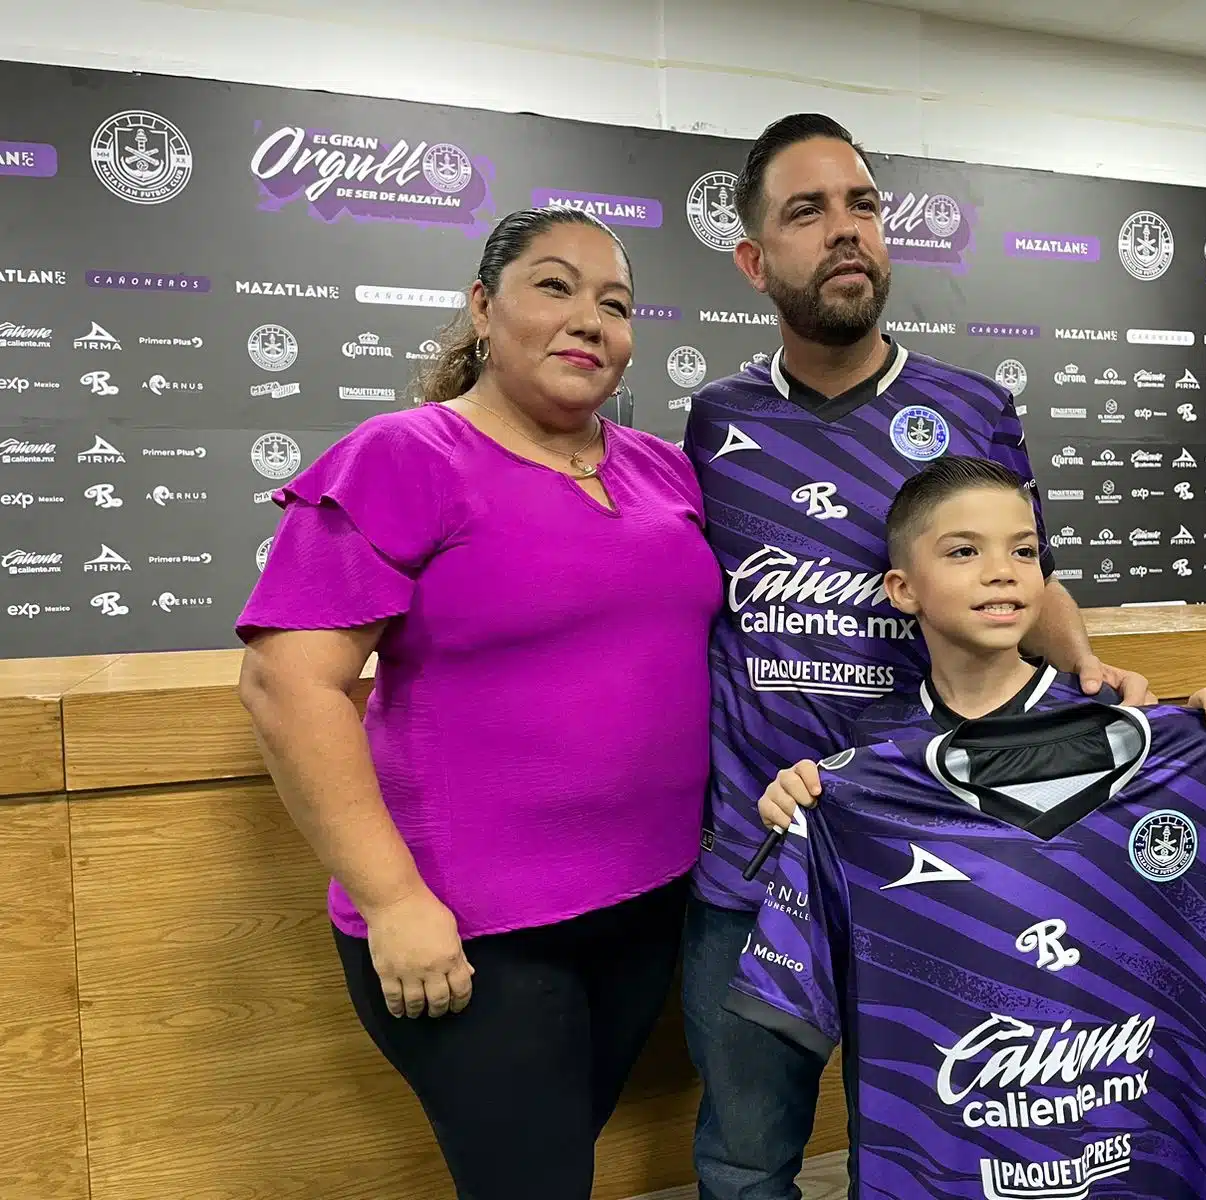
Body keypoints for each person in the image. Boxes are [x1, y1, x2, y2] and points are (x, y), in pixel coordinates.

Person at [681, 113, 1206, 1200]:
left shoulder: (970, 406)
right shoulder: (713, 424)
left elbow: (1029, 584)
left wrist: (1095, 677)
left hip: (956, 854)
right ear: (755, 260)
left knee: (967, 1135)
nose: (845, 231)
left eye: (862, 205)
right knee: (743, 1152)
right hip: (757, 854)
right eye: (807, 212)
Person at [234, 207, 722, 1200]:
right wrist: (392, 900)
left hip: (646, 908)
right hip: (473, 930)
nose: (589, 319)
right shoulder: (405, 455)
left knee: (553, 1165)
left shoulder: (663, 469)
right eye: (554, 286)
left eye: (615, 304)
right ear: (482, 307)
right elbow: (289, 684)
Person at [738, 455, 1206, 1200]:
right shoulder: (852, 793)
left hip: (1158, 1166)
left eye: (1025, 550)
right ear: (902, 589)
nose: (1002, 572)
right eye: (965, 551)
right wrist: (806, 810)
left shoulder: (1189, 756)